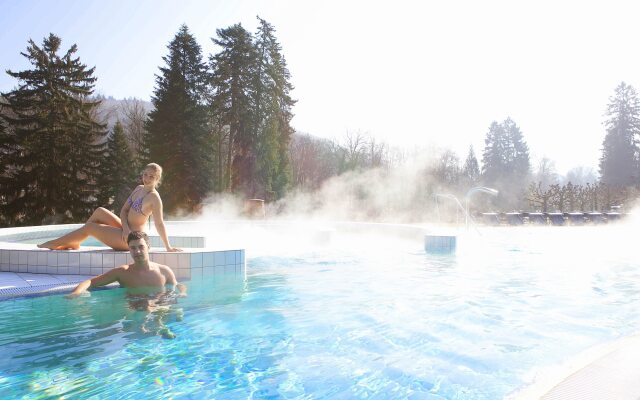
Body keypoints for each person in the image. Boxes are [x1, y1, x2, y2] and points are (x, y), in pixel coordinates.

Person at [38, 163, 181, 251]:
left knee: (90, 228)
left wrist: (168, 247)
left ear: (157, 179)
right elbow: (124, 211)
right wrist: (125, 228)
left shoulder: (154, 198)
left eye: (151, 176)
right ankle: (74, 243)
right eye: (145, 174)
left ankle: (54, 243)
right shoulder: (138, 189)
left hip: (134, 239)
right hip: (125, 230)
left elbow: (159, 223)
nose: (147, 178)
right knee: (99, 211)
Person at [65, 231, 187, 298]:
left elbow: (177, 286)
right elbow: (90, 282)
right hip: (135, 309)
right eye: (133, 248)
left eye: (141, 247)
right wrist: (76, 293)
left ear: (148, 247)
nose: (137, 251)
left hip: (159, 308)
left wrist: (182, 293)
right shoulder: (123, 273)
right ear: (129, 249)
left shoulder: (164, 271)